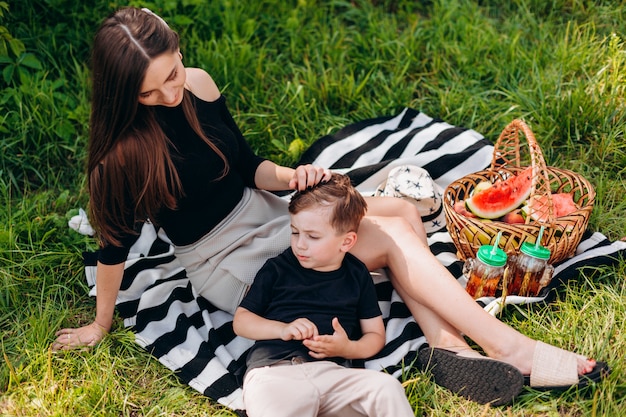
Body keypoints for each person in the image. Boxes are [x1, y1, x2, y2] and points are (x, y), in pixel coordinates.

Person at [52, 6, 608, 406]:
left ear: (179, 53)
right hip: (225, 258)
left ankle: (447, 348)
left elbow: (249, 165)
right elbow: (112, 249)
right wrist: (101, 324)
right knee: (390, 238)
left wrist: (293, 176)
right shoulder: (119, 160)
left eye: (172, 74)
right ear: (124, 93)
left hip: (273, 209)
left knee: (401, 213)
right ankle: (513, 349)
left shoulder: (197, 84)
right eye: (151, 93)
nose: (171, 95)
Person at [232, 173, 414, 416]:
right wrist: (282, 329)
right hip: (275, 372)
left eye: (313, 236)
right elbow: (242, 321)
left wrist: (347, 348)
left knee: (386, 388)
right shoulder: (277, 268)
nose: (300, 244)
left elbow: (374, 335)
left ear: (346, 242)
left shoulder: (357, 274)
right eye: (295, 232)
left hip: (335, 375)